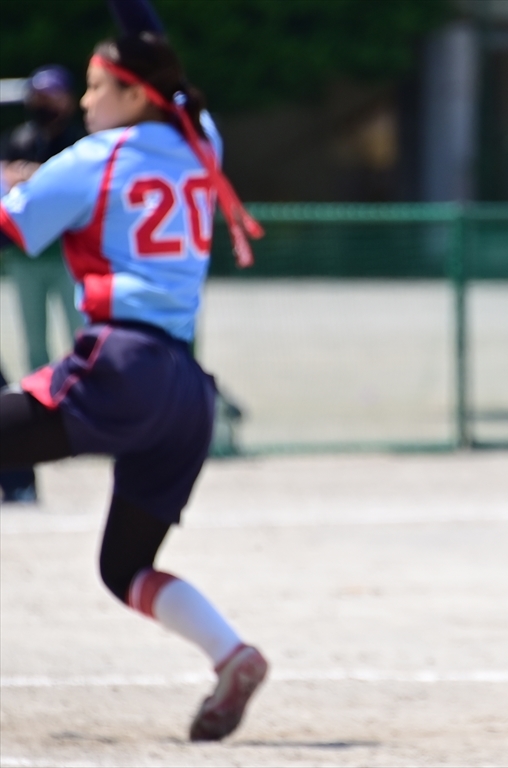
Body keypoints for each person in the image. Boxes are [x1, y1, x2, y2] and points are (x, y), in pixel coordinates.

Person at [0, 0, 266, 742]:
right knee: (125, 569)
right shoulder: (198, 137)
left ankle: (233, 653)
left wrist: (10, 182)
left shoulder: (95, 159)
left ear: (137, 94)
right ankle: (231, 654)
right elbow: (159, 59)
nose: (85, 101)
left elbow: (13, 227)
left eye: (97, 87)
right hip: (185, 391)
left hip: (123, 364)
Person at [1, 63, 87, 372]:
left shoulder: (80, 140)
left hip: (68, 255)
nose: (44, 103)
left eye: (52, 96)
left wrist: (35, 177)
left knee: (81, 335)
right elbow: (7, 178)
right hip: (25, 256)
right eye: (39, 96)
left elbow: (72, 186)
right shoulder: (20, 138)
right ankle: (39, 412)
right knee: (35, 345)